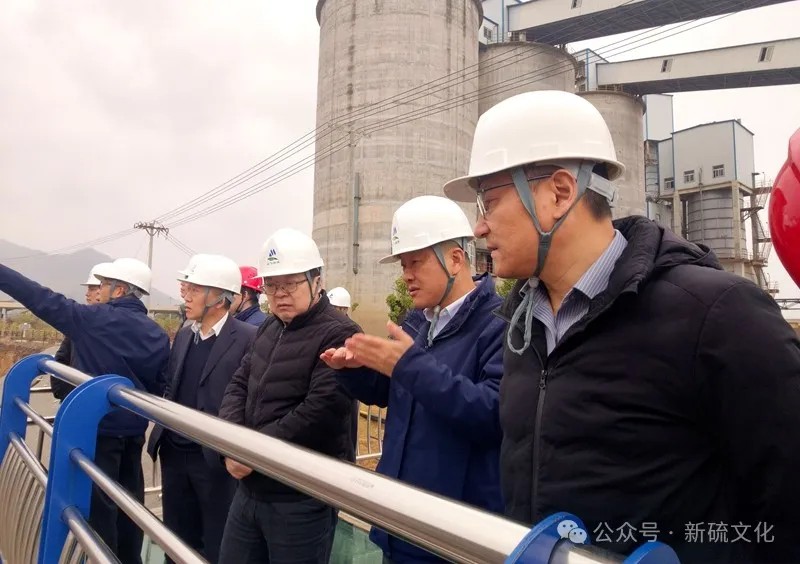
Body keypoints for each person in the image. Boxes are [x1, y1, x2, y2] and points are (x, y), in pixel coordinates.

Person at [442, 89, 800, 564]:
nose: (479, 227)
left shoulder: (717, 315)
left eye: (488, 203)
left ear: (559, 193)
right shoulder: (523, 329)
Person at [321, 195, 505, 563]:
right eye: (403, 264)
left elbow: (492, 414)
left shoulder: (498, 324)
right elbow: (393, 390)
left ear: (456, 259)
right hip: (399, 520)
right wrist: (355, 371)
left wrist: (411, 365)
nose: (406, 275)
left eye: (416, 262)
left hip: (452, 535)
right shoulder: (419, 322)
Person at [0, 257, 170, 564]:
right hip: (133, 436)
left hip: (97, 436)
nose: (99, 290)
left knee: (96, 518)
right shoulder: (156, 334)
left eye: (103, 285)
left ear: (120, 290)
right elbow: (160, 385)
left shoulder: (92, 320)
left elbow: (40, 298)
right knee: (129, 511)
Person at [217, 228, 361, 564]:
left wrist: (253, 452)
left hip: (301, 496)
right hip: (250, 489)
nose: (280, 294)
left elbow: (320, 411)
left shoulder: (340, 332)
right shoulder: (269, 328)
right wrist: (233, 443)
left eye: (291, 284)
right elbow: (238, 384)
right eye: (272, 285)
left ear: (317, 281)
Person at [147, 254, 257, 563]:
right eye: (187, 288)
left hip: (213, 462)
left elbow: (251, 400)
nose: (186, 295)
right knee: (175, 541)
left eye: (195, 289)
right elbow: (173, 385)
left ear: (220, 298)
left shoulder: (248, 338)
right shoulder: (185, 334)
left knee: (217, 543)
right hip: (175, 454)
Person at [51, 262, 110, 400]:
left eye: (92, 289)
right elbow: (62, 358)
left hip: (92, 398)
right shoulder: (80, 322)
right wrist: (64, 394)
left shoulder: (83, 323)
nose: (87, 294)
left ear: (102, 290)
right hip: (81, 396)